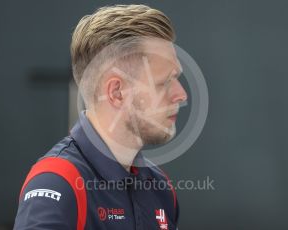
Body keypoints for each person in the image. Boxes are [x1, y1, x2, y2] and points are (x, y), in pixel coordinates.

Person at [14, 4, 187, 230]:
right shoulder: (57, 182)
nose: (181, 95)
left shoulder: (160, 188)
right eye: (164, 82)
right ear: (116, 93)